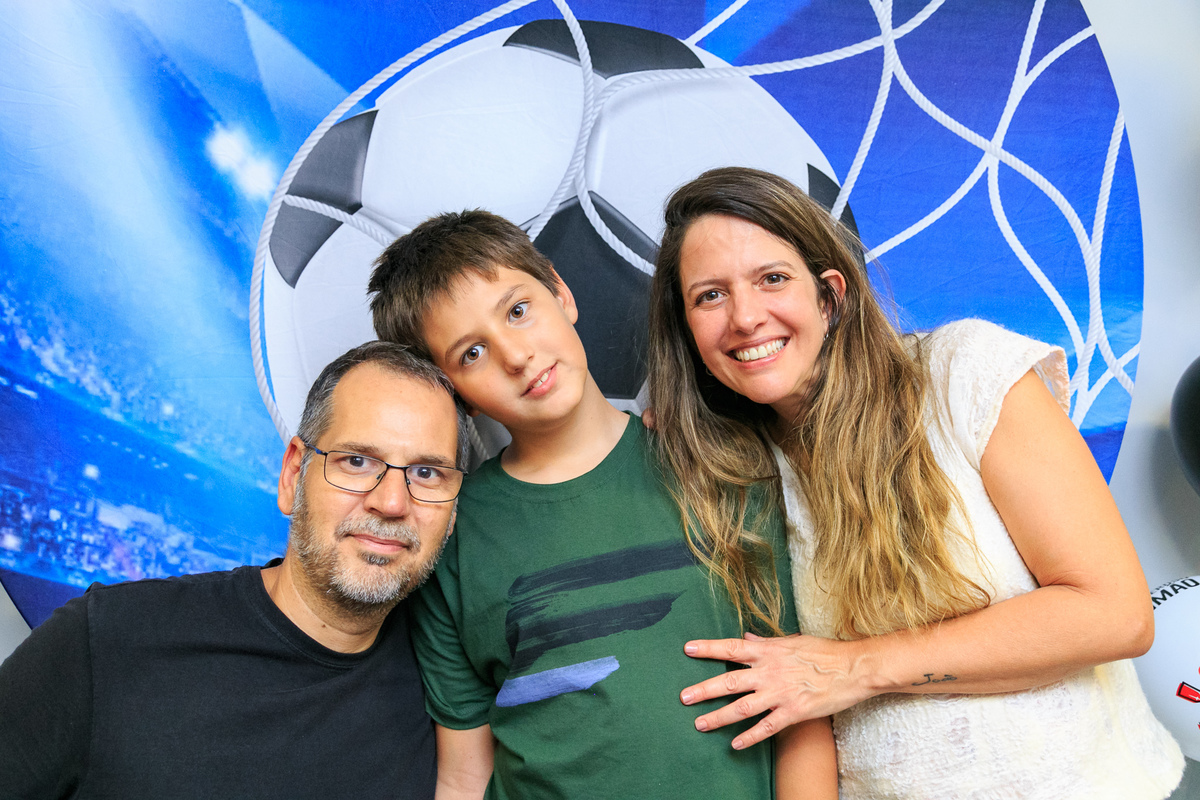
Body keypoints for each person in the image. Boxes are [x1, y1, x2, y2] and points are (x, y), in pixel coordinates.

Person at [644, 166, 1185, 798]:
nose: (744, 317)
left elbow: (1115, 616)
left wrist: (856, 667)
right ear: (688, 332)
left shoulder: (961, 373)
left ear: (830, 296)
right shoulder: (731, 473)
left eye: (773, 279)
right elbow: (787, 688)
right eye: (710, 296)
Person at [368, 209, 837, 800]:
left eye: (518, 311)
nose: (516, 355)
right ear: (454, 393)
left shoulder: (721, 464)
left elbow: (802, 702)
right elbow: (464, 773)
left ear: (561, 293)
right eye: (472, 353)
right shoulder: (453, 535)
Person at [0, 341, 466, 799]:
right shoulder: (104, 642)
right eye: (357, 461)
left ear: (452, 514)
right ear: (293, 476)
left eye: (427, 473)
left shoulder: (451, 681)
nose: (391, 501)